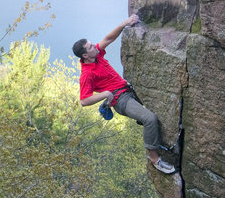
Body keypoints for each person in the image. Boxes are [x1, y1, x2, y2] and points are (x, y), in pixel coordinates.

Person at [72, 14, 176, 175]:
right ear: (85, 55)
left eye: (92, 44)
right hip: (120, 100)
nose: (95, 46)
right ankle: (154, 159)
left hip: (128, 89)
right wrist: (106, 94)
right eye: (91, 46)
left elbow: (109, 38)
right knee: (150, 119)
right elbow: (84, 101)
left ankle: (162, 142)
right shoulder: (87, 74)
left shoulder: (96, 55)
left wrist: (125, 23)